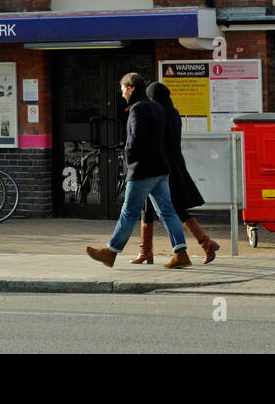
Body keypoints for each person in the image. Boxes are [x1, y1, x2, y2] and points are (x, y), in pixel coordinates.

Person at [86, 72, 190, 269]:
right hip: (160, 168)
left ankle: (111, 252)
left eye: (123, 88)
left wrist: (127, 157)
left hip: (143, 170)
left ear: (131, 88)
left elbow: (135, 140)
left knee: (128, 212)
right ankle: (181, 253)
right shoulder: (157, 108)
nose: (122, 93)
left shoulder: (137, 109)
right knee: (167, 211)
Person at [131, 81, 220, 264]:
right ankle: (204, 242)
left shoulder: (158, 115)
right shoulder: (173, 114)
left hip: (159, 167)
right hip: (174, 165)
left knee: (164, 208)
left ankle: (147, 251)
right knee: (170, 207)